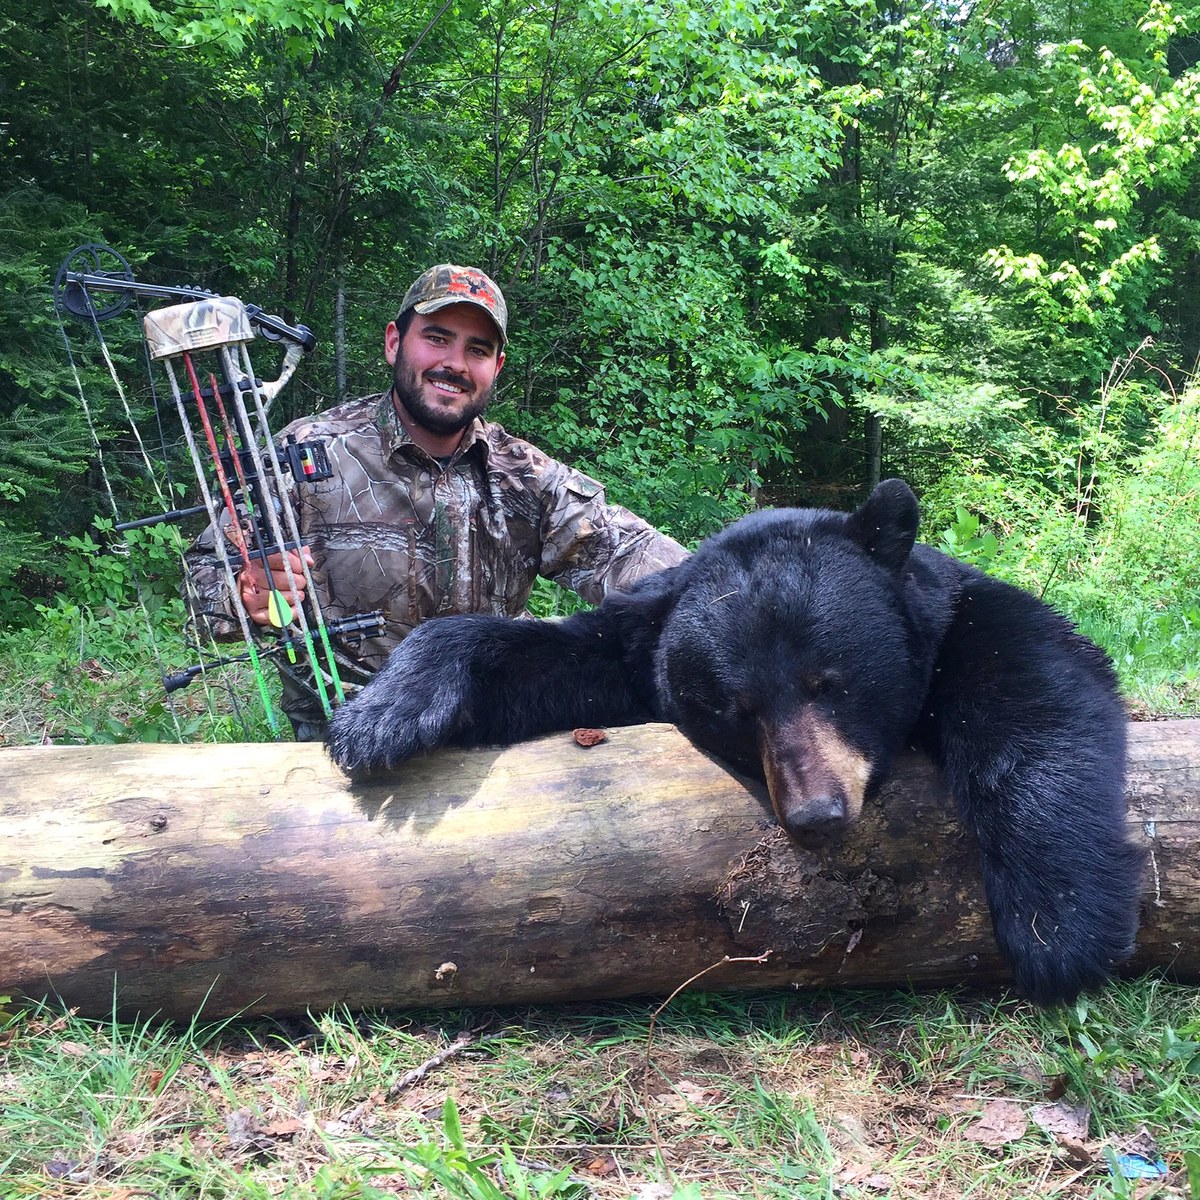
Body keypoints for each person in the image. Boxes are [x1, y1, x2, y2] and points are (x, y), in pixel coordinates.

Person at [184, 263, 689, 740]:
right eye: (437, 338)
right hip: (337, 745)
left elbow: (639, 559)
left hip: (486, 739)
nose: (454, 363)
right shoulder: (305, 456)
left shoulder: (525, 476)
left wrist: (733, 589)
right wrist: (245, 598)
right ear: (393, 343)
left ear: (497, 366)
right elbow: (201, 590)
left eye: (478, 349)